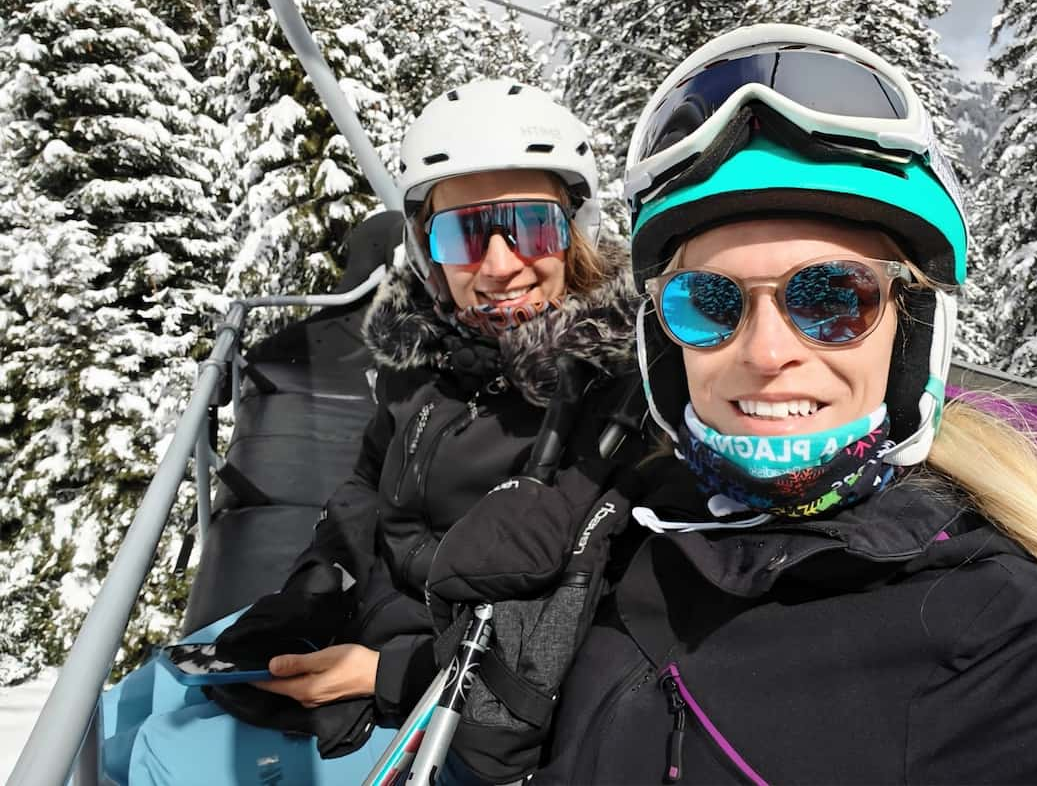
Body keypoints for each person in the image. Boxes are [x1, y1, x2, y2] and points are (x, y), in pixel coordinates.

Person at [438, 26, 1037, 784]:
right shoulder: (645, 529)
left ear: (913, 331)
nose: (767, 354)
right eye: (708, 301)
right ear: (665, 348)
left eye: (834, 297)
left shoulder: (1019, 656)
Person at [100, 79, 643, 785]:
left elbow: (588, 627)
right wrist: (310, 590)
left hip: (449, 695)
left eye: (532, 226)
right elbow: (362, 494)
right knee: (117, 713)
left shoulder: (616, 399)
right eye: (466, 232)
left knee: (161, 760)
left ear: (575, 230)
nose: (502, 263)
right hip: (363, 624)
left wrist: (383, 673)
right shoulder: (425, 363)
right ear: (428, 251)